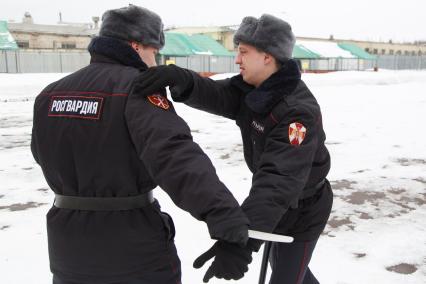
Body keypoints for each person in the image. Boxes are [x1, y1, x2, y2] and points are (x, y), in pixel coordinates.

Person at [31, 5, 250, 284]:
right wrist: (225, 219)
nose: (155, 61)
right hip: (131, 248)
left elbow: (41, 154)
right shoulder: (137, 88)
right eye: (154, 52)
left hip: (67, 248)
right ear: (136, 46)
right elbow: (175, 157)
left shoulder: (50, 94)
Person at [132, 14, 334, 283]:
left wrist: (241, 243)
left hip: (304, 210)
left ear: (267, 56)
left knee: (286, 278)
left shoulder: (296, 112)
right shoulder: (253, 89)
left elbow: (278, 180)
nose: (237, 59)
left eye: (243, 52)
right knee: (290, 272)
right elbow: (218, 94)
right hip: (276, 207)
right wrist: (181, 78)